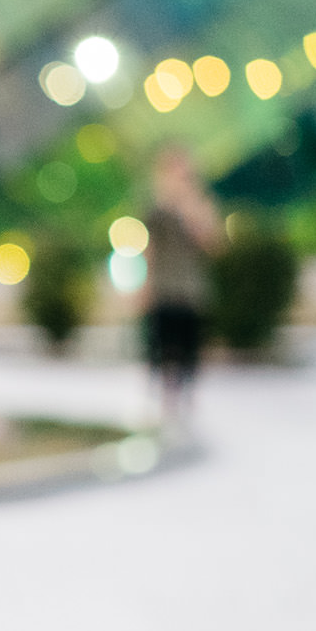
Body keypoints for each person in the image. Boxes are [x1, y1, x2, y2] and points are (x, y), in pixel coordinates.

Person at [142, 147, 222, 431]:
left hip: (190, 290)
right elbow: (149, 249)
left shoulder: (200, 205)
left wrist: (190, 212)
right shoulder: (156, 208)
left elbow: (212, 245)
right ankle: (167, 402)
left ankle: (187, 400)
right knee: (163, 349)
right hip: (164, 288)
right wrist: (145, 287)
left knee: (189, 349)